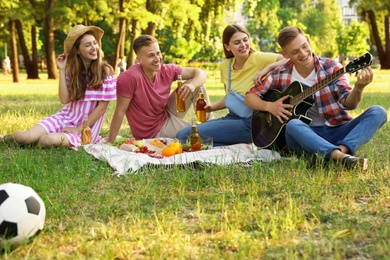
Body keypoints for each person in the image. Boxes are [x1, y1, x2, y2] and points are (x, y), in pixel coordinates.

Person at [245, 26, 387, 170]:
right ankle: (339, 156)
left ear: (307, 40)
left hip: (337, 129)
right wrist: (270, 107)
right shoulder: (280, 73)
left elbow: (349, 104)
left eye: (304, 46)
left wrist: (358, 88)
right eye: (295, 52)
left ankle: (337, 154)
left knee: (378, 112)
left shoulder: (332, 67)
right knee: (293, 125)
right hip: (305, 136)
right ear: (285, 54)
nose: (303, 53)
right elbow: (250, 97)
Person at [6, 24, 116, 148]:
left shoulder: (105, 71)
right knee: (25, 137)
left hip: (86, 128)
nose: (94, 48)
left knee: (47, 140)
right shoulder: (73, 71)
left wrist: (77, 129)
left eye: (94, 43)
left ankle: (40, 141)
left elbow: (102, 108)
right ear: (77, 50)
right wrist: (62, 70)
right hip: (64, 117)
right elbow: (64, 100)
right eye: (87, 45)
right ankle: (5, 138)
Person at [176, 24, 286, 146]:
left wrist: (268, 68)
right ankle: (231, 147)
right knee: (189, 138)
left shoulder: (260, 58)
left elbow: (290, 60)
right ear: (227, 47)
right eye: (237, 42)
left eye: (245, 40)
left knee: (184, 136)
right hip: (231, 118)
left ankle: (225, 145)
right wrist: (211, 108)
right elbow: (230, 97)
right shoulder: (226, 66)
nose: (243, 45)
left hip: (251, 123)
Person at [106, 34, 213, 143]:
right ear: (139, 59)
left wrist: (192, 85)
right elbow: (120, 111)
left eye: (158, 53)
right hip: (152, 131)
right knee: (201, 133)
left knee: (198, 85)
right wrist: (110, 140)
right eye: (151, 55)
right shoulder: (129, 78)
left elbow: (201, 73)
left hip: (165, 114)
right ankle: (213, 131)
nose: (157, 59)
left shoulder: (166, 70)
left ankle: (212, 124)